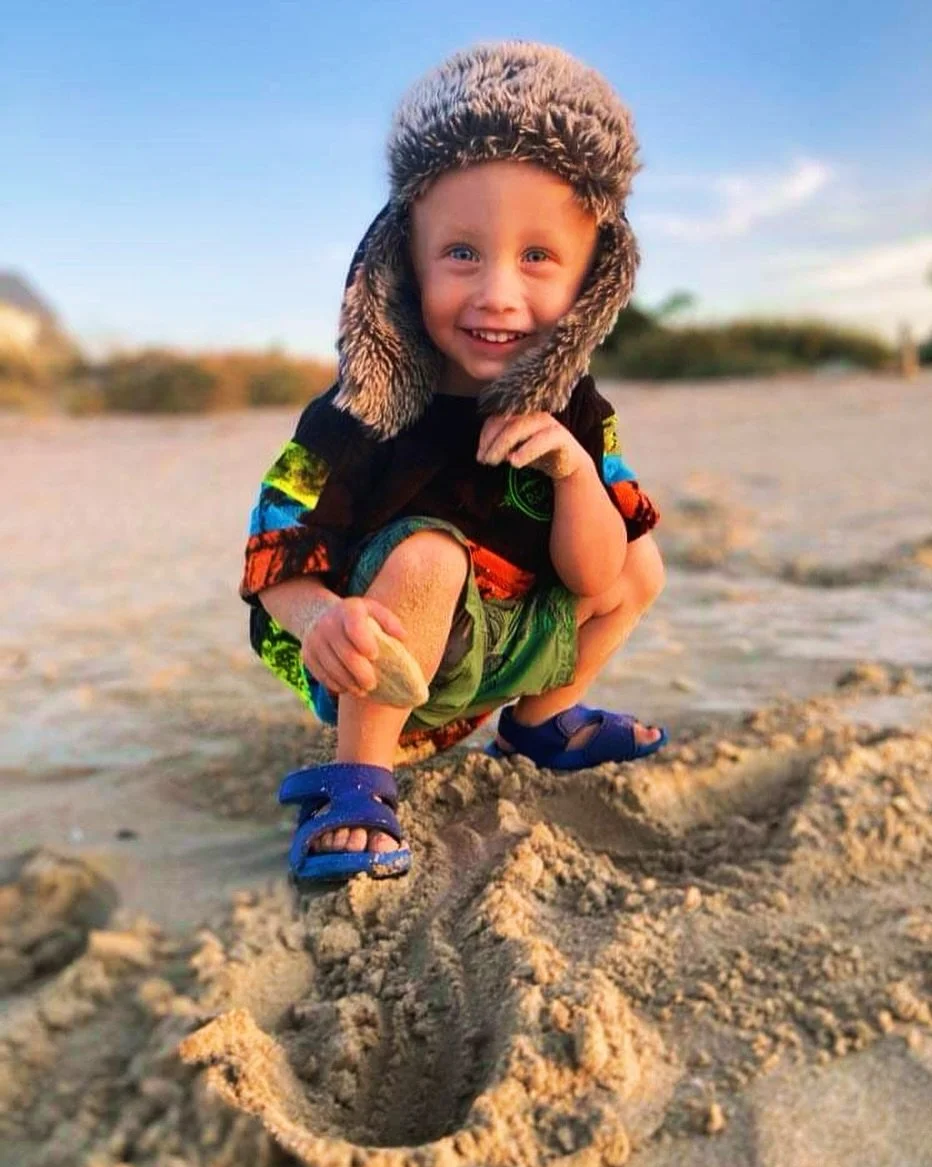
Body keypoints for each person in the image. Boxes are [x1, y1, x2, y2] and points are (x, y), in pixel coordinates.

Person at [241, 42, 668, 884]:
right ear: (405, 258)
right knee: (431, 552)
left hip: (503, 645)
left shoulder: (577, 413)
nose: (497, 294)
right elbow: (275, 548)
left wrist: (574, 472)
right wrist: (320, 618)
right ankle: (360, 776)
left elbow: (594, 577)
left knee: (640, 556)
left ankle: (540, 722)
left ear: (594, 277)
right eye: (462, 253)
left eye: (537, 257)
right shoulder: (359, 411)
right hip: (377, 658)